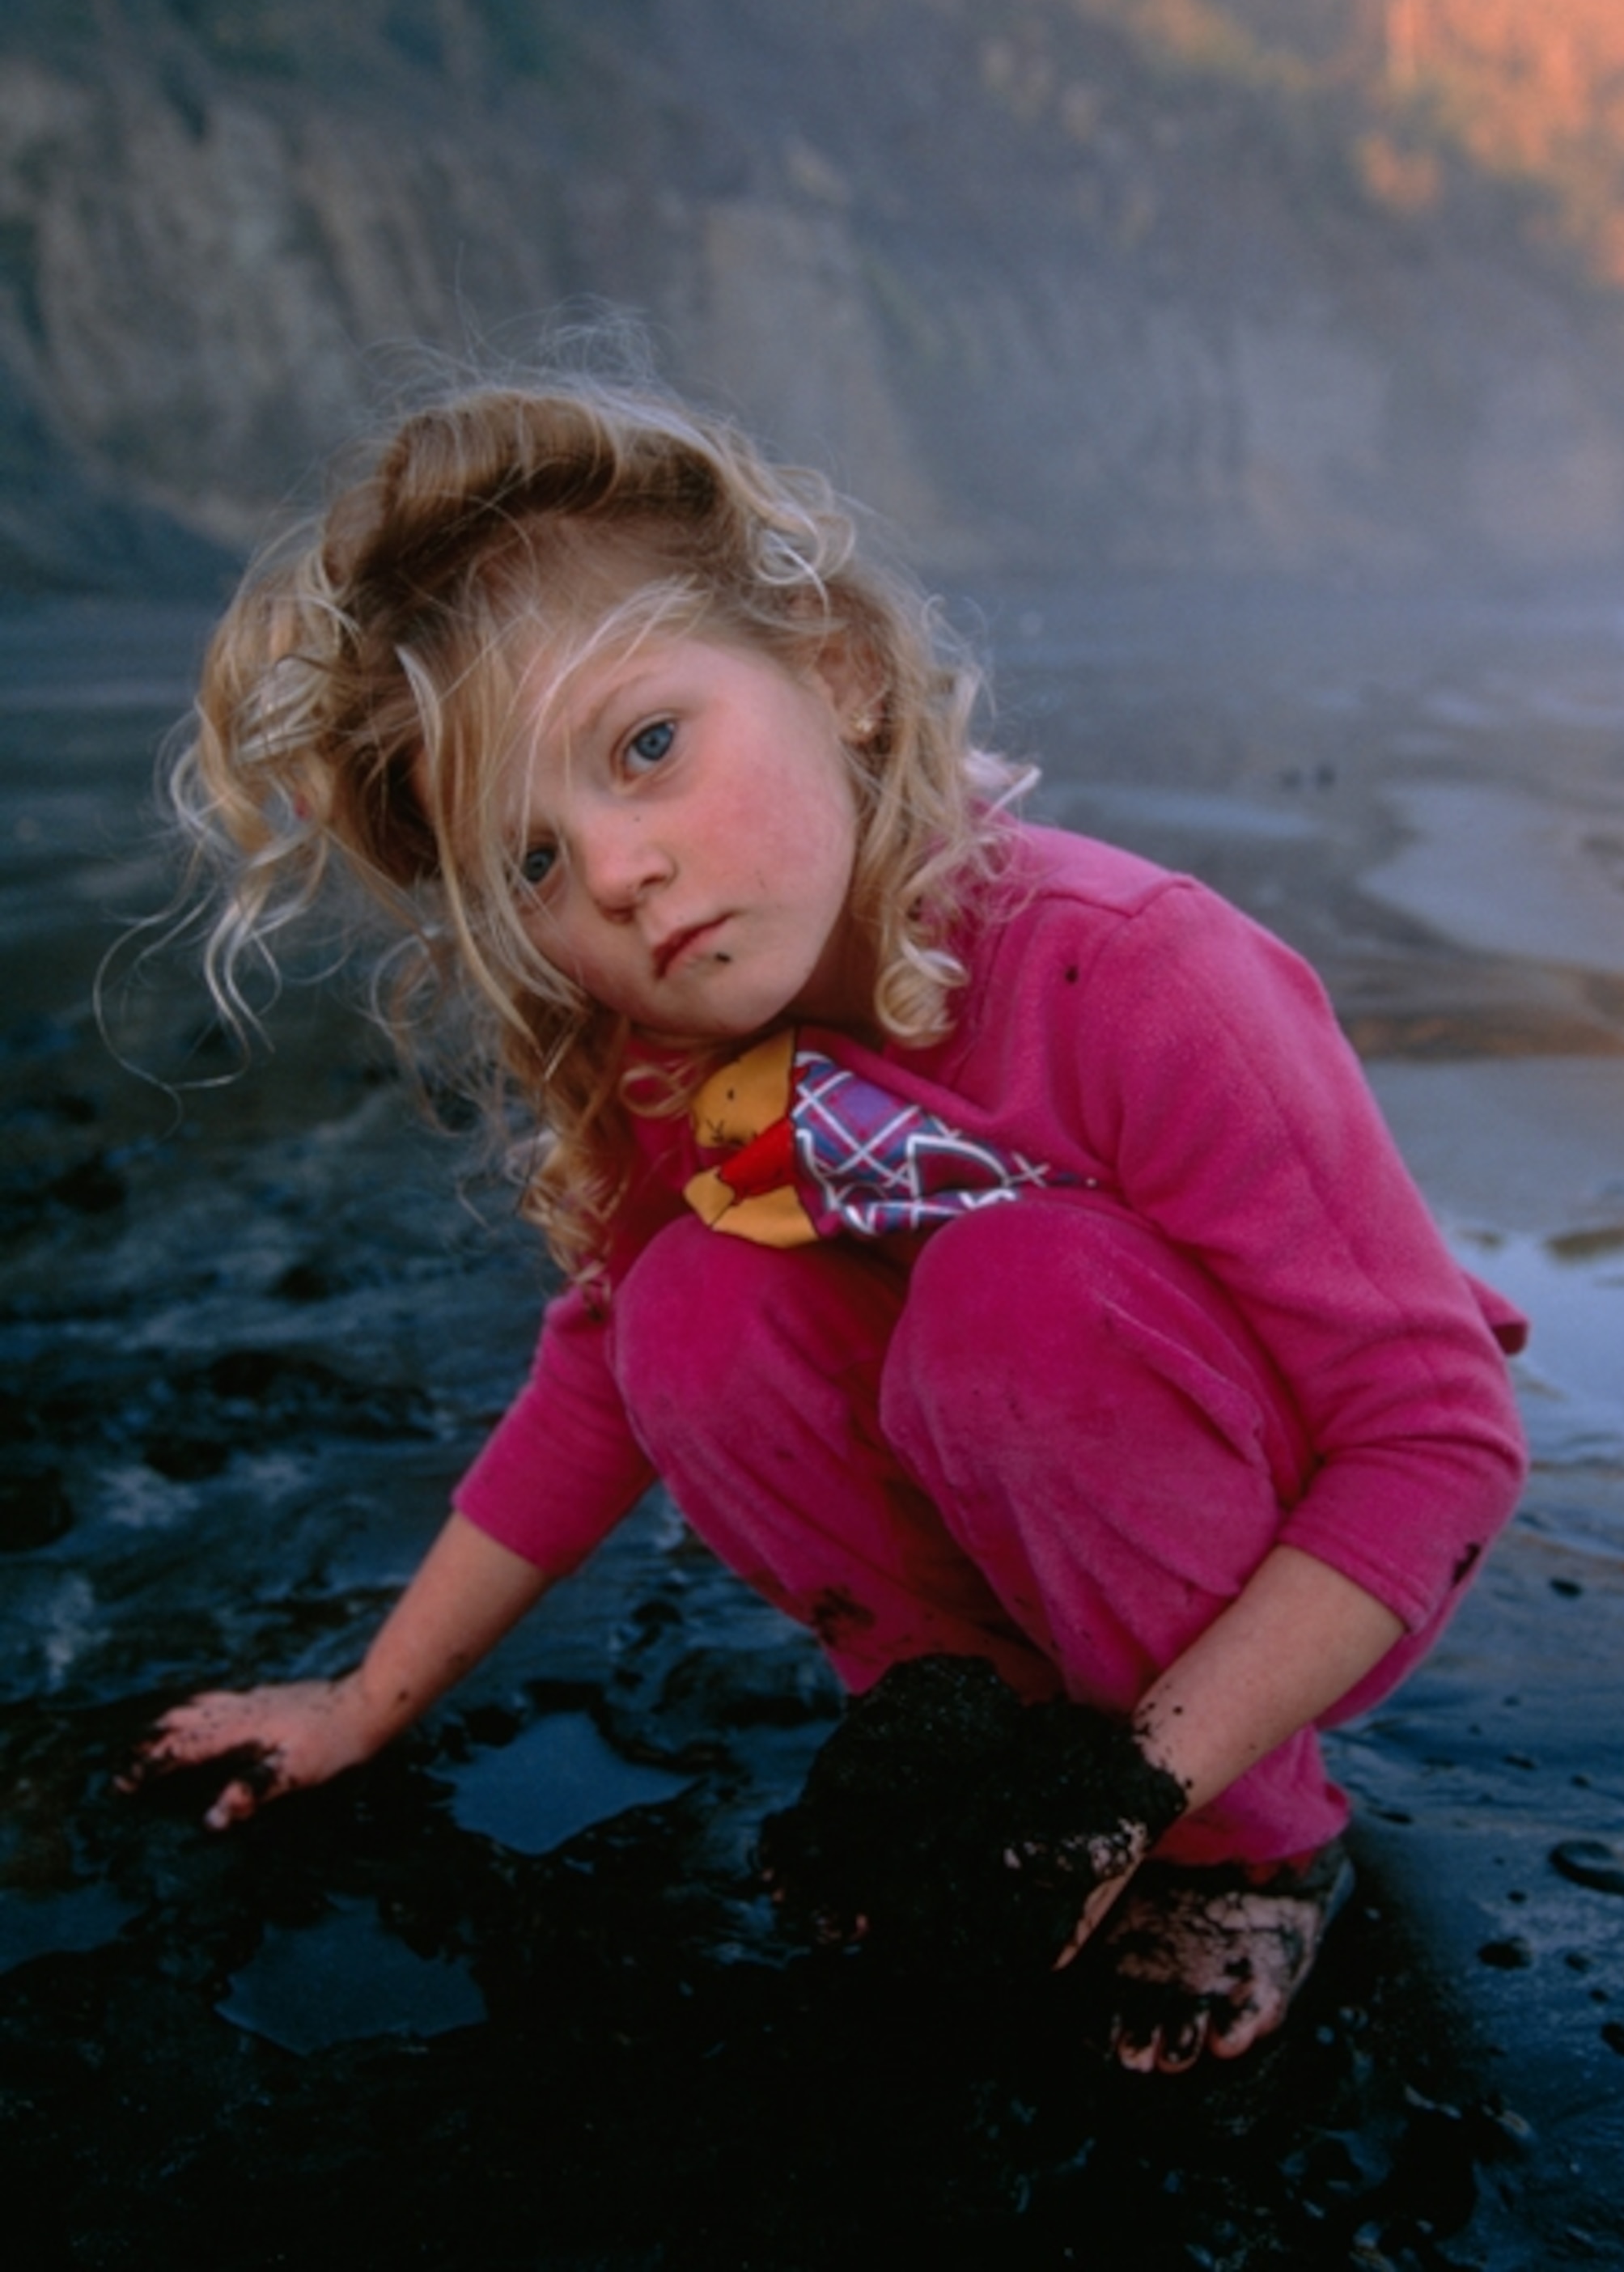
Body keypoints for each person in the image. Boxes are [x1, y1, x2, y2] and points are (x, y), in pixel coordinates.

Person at [125, 379, 1528, 2074]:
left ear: (837, 674)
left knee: (1019, 1289)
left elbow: (1435, 1441)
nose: (625, 871)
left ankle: (1249, 1834)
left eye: (648, 747)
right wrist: (363, 1702)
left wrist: (1143, 1781)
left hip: (1293, 1528)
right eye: (536, 860)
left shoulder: (1138, 969)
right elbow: (595, 1394)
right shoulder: (682, 1053)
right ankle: (968, 1755)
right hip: (1012, 1476)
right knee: (683, 1313)